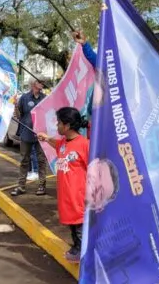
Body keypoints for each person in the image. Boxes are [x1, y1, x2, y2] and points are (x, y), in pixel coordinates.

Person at [37, 107, 90, 263]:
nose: (56, 125)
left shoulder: (84, 144)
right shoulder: (63, 143)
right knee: (72, 224)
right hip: (66, 196)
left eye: (59, 122)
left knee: (79, 224)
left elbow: (94, 170)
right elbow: (57, 144)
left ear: (66, 126)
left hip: (79, 196)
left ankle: (82, 251)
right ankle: (76, 246)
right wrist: (46, 138)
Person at [10, 79, 48, 197]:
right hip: (26, 133)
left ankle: (42, 185)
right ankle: (21, 186)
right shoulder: (25, 98)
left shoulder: (45, 98)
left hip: (40, 134)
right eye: (40, 81)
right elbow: (19, 114)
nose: (42, 83)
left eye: (43, 82)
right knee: (24, 160)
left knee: (41, 160)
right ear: (33, 84)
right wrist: (15, 105)